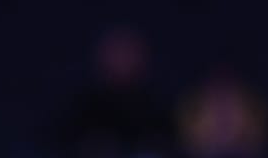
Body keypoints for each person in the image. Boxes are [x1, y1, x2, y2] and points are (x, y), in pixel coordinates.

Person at [52, 24, 177, 158]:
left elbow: (167, 143)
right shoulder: (82, 106)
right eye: (117, 53)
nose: (123, 60)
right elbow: (61, 142)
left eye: (128, 53)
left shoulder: (155, 108)